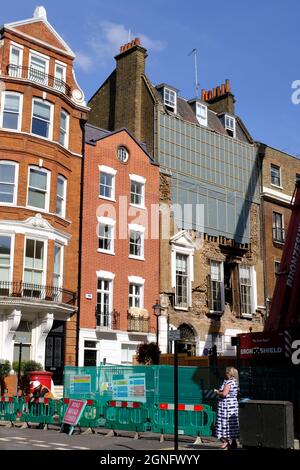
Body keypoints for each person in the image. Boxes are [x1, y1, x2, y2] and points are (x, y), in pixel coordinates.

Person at [214, 366, 239, 450]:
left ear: (229, 373)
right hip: (233, 406)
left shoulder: (228, 382)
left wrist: (217, 392)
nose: (225, 374)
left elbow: (224, 394)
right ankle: (234, 442)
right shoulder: (235, 382)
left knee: (224, 423)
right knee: (232, 424)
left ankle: (226, 442)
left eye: (226, 372)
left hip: (226, 407)